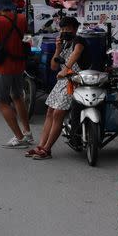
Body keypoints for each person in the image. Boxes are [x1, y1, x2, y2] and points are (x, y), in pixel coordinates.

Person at [28, 17, 88, 160]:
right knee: (49, 111)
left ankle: (47, 149)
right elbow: (54, 66)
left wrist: (66, 69)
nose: (64, 32)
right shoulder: (65, 44)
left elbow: (76, 54)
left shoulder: (78, 41)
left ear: (75, 29)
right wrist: (58, 49)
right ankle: (41, 146)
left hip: (76, 81)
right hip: (63, 82)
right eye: (62, 29)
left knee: (58, 113)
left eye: (67, 29)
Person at [0, 0, 33, 147]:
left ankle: (19, 137)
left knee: (2, 101)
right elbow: (28, 40)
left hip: (4, 66)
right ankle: (27, 132)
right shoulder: (22, 18)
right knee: (18, 96)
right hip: (19, 64)